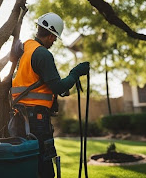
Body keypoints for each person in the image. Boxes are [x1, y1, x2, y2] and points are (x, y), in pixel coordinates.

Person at [9, 12, 89, 178]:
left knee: (26, 164)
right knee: (44, 166)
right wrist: (75, 73)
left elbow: (40, 83)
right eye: (54, 38)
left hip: (19, 118)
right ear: (52, 35)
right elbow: (58, 87)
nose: (53, 41)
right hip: (36, 120)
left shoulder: (26, 49)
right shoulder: (43, 54)